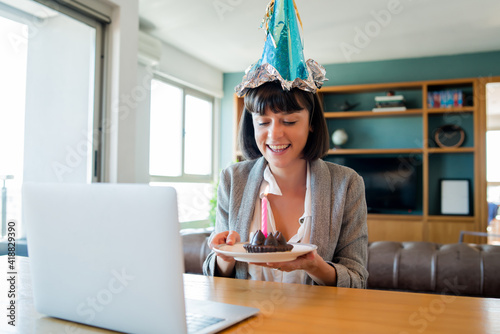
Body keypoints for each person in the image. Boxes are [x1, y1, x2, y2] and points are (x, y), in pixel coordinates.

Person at [202, 0, 368, 288]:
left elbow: (357, 280)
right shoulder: (233, 179)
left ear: (312, 122)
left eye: (289, 121)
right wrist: (224, 256)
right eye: (263, 122)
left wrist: (316, 267)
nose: (274, 135)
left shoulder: (346, 184)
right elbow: (214, 277)